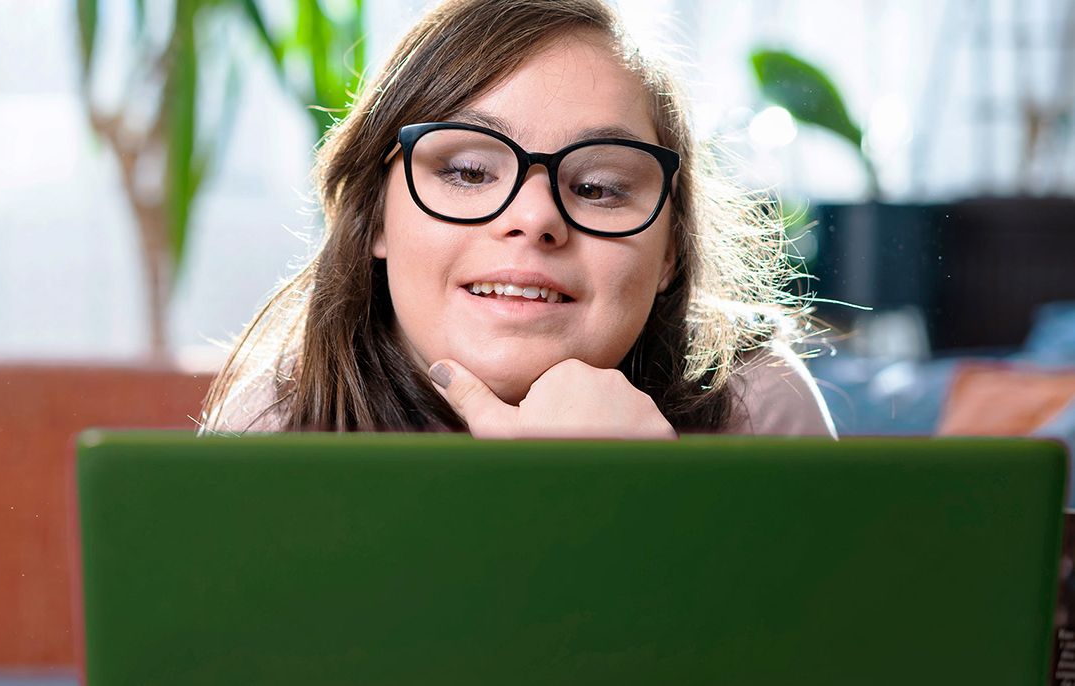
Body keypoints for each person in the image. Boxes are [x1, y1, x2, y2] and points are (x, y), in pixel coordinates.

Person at [199, 0, 835, 439]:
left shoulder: (761, 412)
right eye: (468, 173)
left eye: (598, 187)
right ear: (375, 222)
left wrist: (643, 499)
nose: (535, 219)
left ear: (671, 250)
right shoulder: (275, 426)